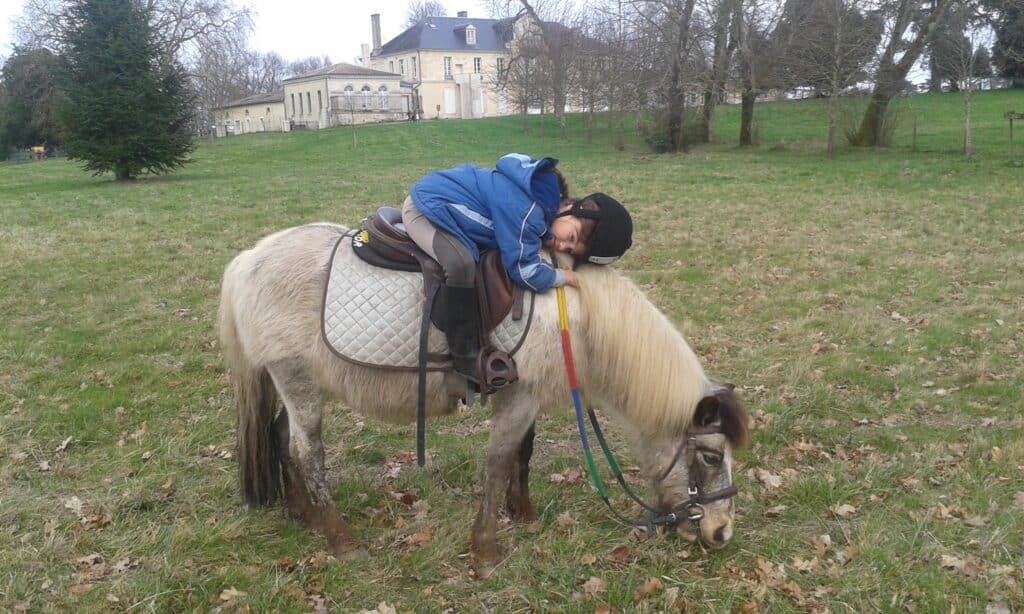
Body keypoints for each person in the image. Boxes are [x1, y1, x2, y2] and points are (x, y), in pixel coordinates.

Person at [401, 153, 633, 385]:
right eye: (571, 237)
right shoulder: (526, 213)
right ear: (570, 207)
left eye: (571, 250)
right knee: (461, 264)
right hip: (426, 211)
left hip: (440, 199)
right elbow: (524, 271)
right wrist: (564, 276)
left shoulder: (541, 199)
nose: (563, 246)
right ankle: (463, 355)